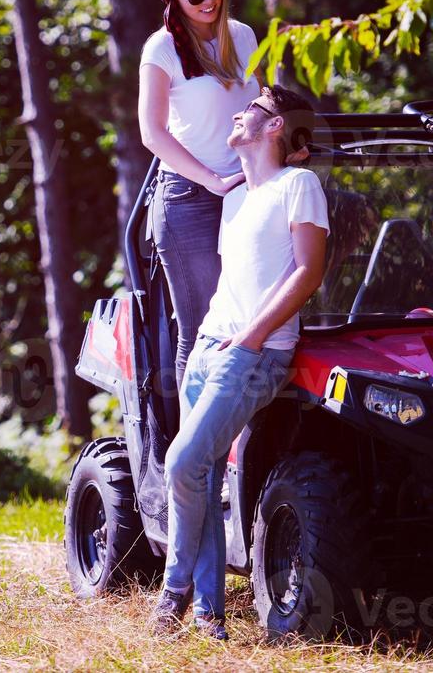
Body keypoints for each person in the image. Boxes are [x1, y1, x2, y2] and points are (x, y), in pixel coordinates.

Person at [150, 85, 329, 641]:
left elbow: (309, 272)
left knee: (182, 464)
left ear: (275, 127)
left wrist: (251, 338)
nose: (239, 112)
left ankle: (173, 590)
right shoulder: (235, 197)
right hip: (208, 345)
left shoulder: (299, 185)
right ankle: (207, 612)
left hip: (256, 353)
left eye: (253, 107)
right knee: (197, 471)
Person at [139, 0, 304, 398]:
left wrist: (286, 152)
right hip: (190, 201)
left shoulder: (244, 36)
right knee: (202, 333)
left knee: (259, 324)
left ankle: (240, 450)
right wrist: (213, 181)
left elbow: (263, 110)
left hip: (249, 196)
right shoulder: (162, 49)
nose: (208, 1)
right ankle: (186, 459)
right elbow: (152, 134)